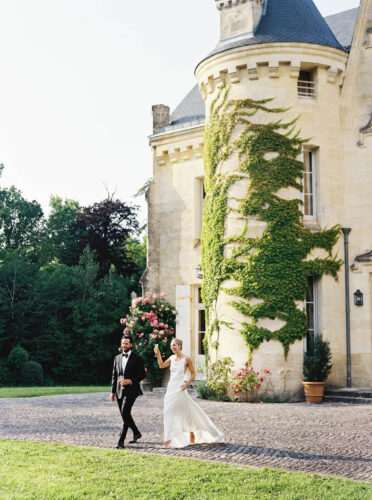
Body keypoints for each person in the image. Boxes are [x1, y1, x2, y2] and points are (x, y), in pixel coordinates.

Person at [154, 338, 224, 448]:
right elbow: (161, 365)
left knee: (186, 411)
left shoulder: (187, 359)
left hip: (180, 388)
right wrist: (158, 354)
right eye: (172, 345)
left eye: (175, 345)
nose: (173, 347)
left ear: (180, 346)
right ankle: (168, 439)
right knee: (168, 412)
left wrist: (186, 384)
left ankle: (191, 433)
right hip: (170, 388)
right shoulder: (171, 358)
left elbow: (193, 374)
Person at [111, 336, 146, 449]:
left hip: (132, 390)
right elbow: (114, 376)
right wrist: (112, 392)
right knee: (125, 415)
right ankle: (136, 432)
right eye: (123, 343)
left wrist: (130, 380)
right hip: (119, 391)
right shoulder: (117, 358)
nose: (124, 345)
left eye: (127, 343)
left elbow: (142, 374)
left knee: (125, 413)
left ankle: (121, 441)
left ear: (131, 345)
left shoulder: (137, 358)